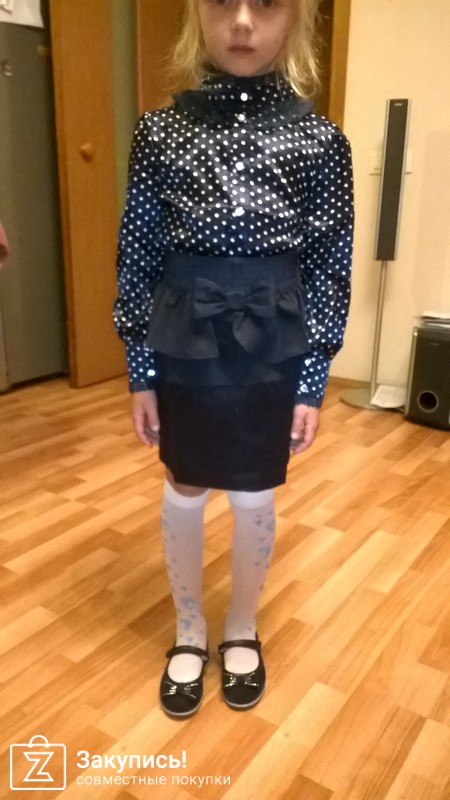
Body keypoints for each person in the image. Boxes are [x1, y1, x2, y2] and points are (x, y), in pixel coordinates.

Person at [113, 0, 353, 718]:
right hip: (183, 333)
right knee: (185, 481)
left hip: (274, 340)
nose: (243, 22)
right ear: (198, 13)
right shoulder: (159, 132)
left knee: (254, 490)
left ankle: (241, 627)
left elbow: (328, 267)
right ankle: (189, 630)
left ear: (295, 19)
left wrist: (312, 380)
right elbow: (138, 254)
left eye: (267, 3)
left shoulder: (321, 142)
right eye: (223, 1)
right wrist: (140, 368)